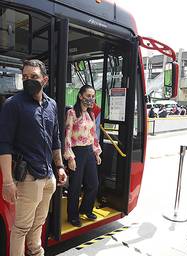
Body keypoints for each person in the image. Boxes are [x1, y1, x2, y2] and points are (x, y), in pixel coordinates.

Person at [0, 59, 68, 256]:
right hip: (29, 178)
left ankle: (36, 252)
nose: (29, 80)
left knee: (39, 223)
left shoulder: (52, 105)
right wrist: (7, 182)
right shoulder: (13, 105)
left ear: (45, 80)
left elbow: (55, 138)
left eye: (34, 77)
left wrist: (60, 166)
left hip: (49, 177)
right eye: (25, 77)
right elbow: (4, 144)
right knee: (21, 228)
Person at [63, 85, 102, 227]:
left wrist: (96, 151)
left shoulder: (91, 114)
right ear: (80, 96)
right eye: (88, 96)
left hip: (89, 152)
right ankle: (73, 216)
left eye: (93, 96)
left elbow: (93, 134)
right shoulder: (72, 113)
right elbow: (67, 135)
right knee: (75, 186)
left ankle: (85, 209)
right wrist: (70, 157)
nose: (91, 99)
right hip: (77, 152)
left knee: (93, 184)